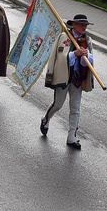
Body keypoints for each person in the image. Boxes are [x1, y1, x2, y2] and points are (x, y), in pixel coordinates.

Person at [39, 14, 94, 149]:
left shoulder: (87, 40)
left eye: (85, 25)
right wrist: (74, 54)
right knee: (58, 104)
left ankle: (72, 136)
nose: (84, 27)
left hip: (77, 78)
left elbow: (90, 60)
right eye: (81, 24)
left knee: (75, 108)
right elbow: (60, 57)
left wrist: (86, 55)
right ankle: (46, 118)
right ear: (74, 25)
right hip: (63, 77)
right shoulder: (64, 37)